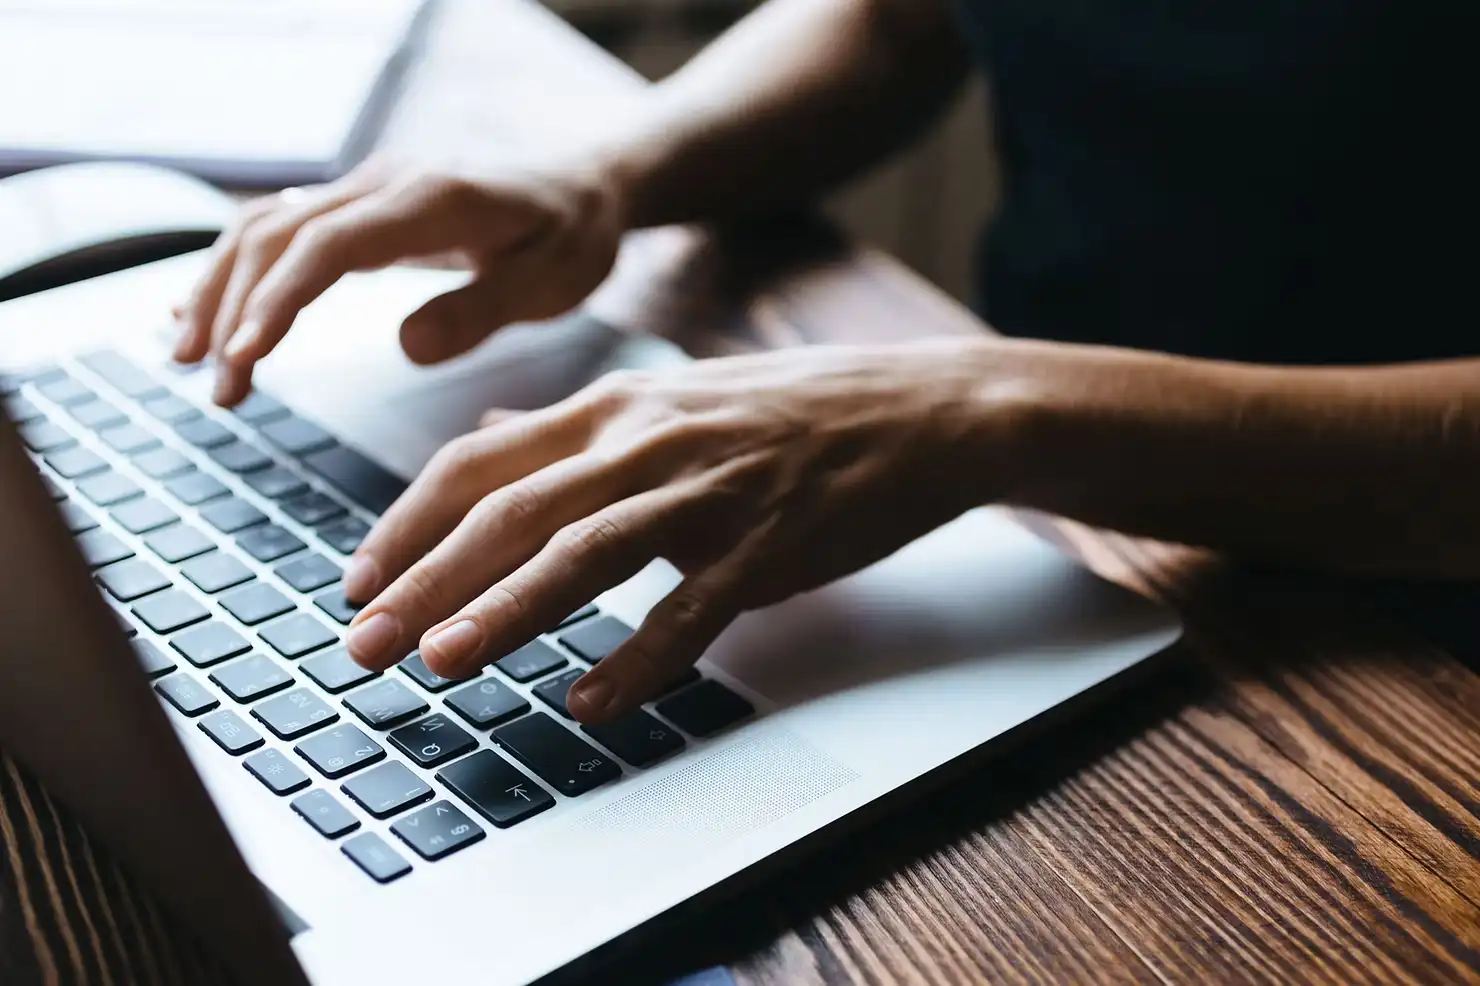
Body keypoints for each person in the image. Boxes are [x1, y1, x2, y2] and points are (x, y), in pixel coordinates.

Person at [172, 0, 1480, 725]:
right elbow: (893, 23)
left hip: (1402, 634)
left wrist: (992, 406)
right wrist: (604, 171)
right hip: (1055, 523)